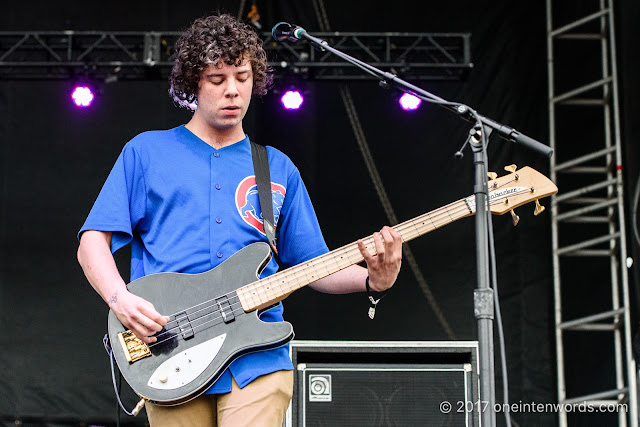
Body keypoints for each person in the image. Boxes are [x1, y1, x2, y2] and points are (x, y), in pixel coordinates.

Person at [77, 12, 402, 427]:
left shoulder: (277, 168)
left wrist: (374, 281)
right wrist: (120, 300)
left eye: (243, 77)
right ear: (194, 82)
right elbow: (92, 245)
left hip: (258, 360)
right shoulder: (146, 153)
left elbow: (311, 266)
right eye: (217, 79)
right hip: (171, 351)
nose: (233, 90)